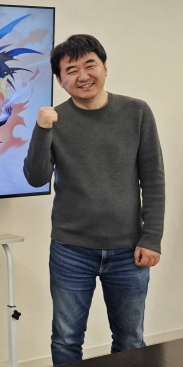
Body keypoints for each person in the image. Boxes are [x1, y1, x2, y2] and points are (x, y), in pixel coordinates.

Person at [23, 34, 165, 365]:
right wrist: (42, 130)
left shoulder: (136, 112)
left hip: (129, 250)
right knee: (66, 339)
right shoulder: (55, 119)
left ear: (105, 67)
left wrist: (152, 237)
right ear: (60, 80)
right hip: (71, 250)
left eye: (90, 65)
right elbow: (36, 177)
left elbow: (153, 180)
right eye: (71, 70)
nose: (83, 76)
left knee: (130, 339)